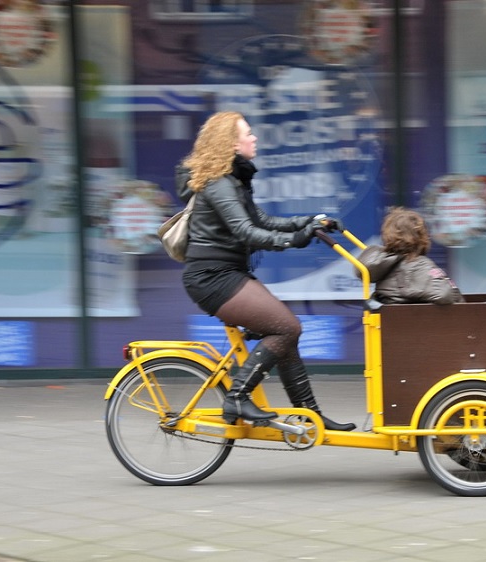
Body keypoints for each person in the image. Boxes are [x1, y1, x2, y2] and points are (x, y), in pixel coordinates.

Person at [176, 111, 355, 431]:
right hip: (212, 276)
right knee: (286, 328)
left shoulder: (232, 181)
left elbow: (264, 222)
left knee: (285, 332)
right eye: (248, 133)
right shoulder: (219, 184)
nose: (254, 138)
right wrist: (295, 241)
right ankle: (238, 395)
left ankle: (308, 414)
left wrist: (310, 222)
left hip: (227, 272)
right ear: (231, 143)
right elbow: (247, 232)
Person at [357, 207, 464, 304]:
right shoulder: (419, 264)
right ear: (421, 236)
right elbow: (444, 295)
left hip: (390, 322)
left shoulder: (384, 265)